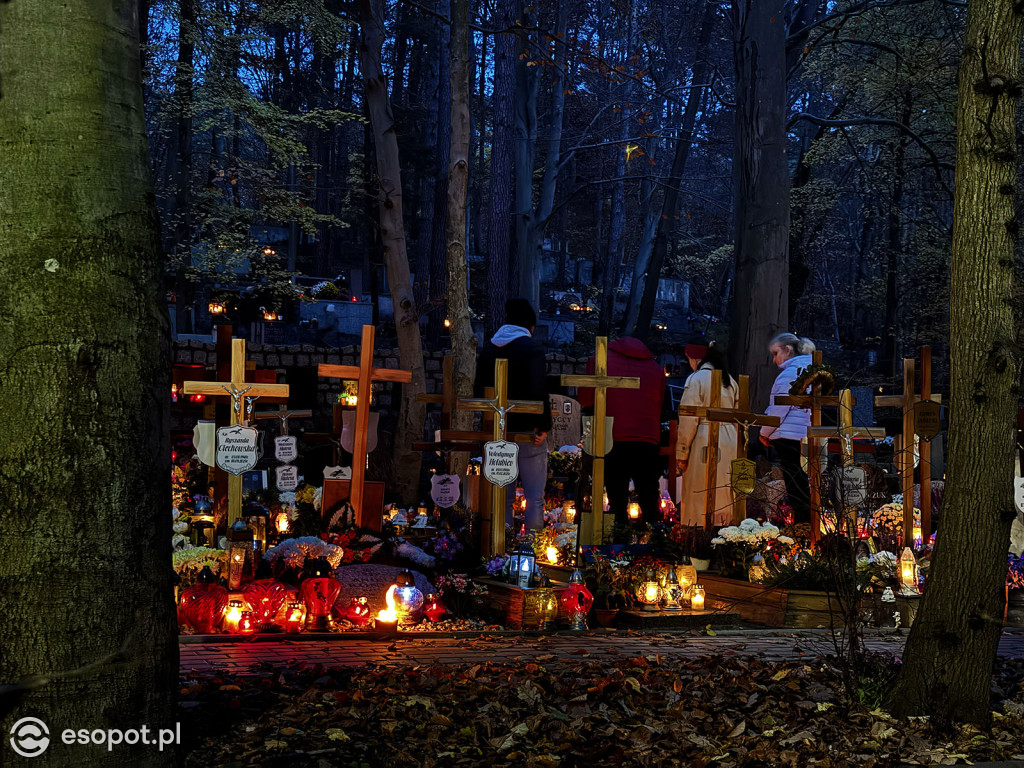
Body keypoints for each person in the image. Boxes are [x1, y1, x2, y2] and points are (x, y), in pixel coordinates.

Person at [474, 298, 552, 531]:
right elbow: (539, 389)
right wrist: (543, 425)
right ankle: (533, 550)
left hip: (497, 432)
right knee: (534, 497)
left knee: (502, 497)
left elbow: (480, 391)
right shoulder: (532, 350)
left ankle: (501, 544)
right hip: (529, 432)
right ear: (530, 327)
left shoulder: (489, 350)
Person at [576, 336, 667, 530]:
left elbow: (585, 398)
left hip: (613, 436)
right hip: (647, 438)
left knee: (617, 496)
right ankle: (658, 541)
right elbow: (660, 402)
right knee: (649, 493)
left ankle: (618, 541)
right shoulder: (655, 367)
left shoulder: (600, 360)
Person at [676, 343, 738, 527]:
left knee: (700, 492)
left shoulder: (697, 379)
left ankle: (699, 537)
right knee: (724, 492)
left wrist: (682, 452)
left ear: (694, 358)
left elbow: (688, 418)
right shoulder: (731, 381)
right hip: (729, 439)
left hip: (704, 436)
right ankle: (724, 532)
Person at [759, 333, 815, 524]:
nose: (775, 359)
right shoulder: (811, 368)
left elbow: (780, 407)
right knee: (803, 480)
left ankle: (803, 524)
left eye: (776, 353)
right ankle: (807, 523)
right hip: (806, 432)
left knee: (795, 481)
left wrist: (764, 432)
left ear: (787, 350)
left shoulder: (791, 373)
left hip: (789, 434)